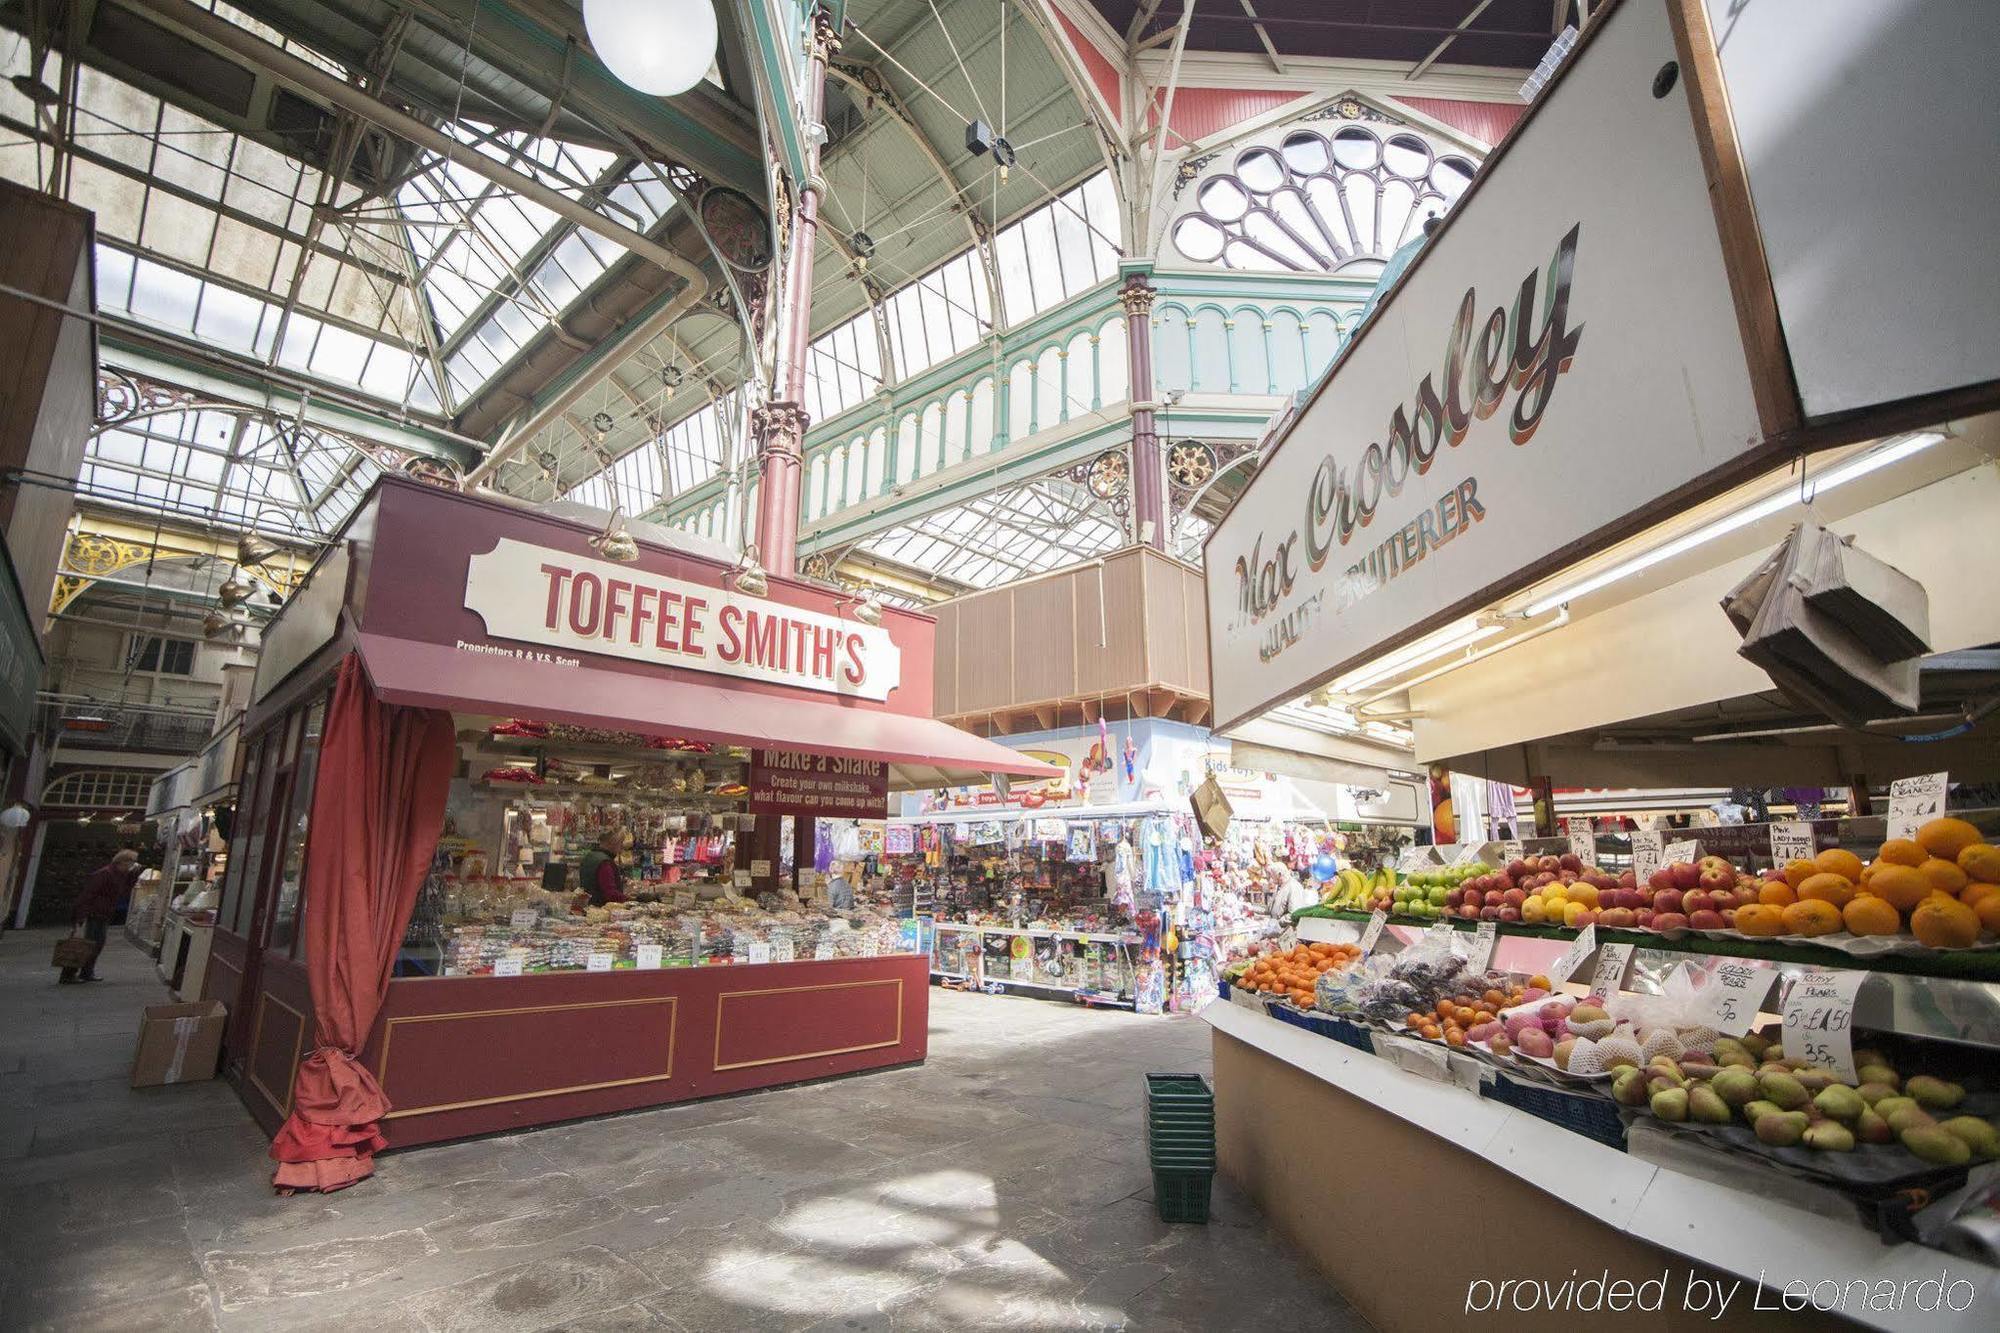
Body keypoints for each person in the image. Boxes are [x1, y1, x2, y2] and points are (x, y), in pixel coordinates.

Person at [62, 848, 140, 984]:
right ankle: (70, 973)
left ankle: (86, 972)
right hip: (93, 913)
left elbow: (124, 891)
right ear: (123, 862)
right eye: (132, 862)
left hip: (102, 913)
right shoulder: (105, 874)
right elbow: (88, 894)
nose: (133, 865)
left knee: (96, 944)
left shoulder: (117, 875)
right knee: (85, 943)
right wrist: (80, 915)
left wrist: (133, 875)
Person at [577, 830, 629, 906]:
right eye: (620, 843)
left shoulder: (590, 856)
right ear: (612, 843)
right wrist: (630, 900)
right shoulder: (605, 863)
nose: (621, 847)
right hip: (601, 908)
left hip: (588, 906)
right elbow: (610, 893)